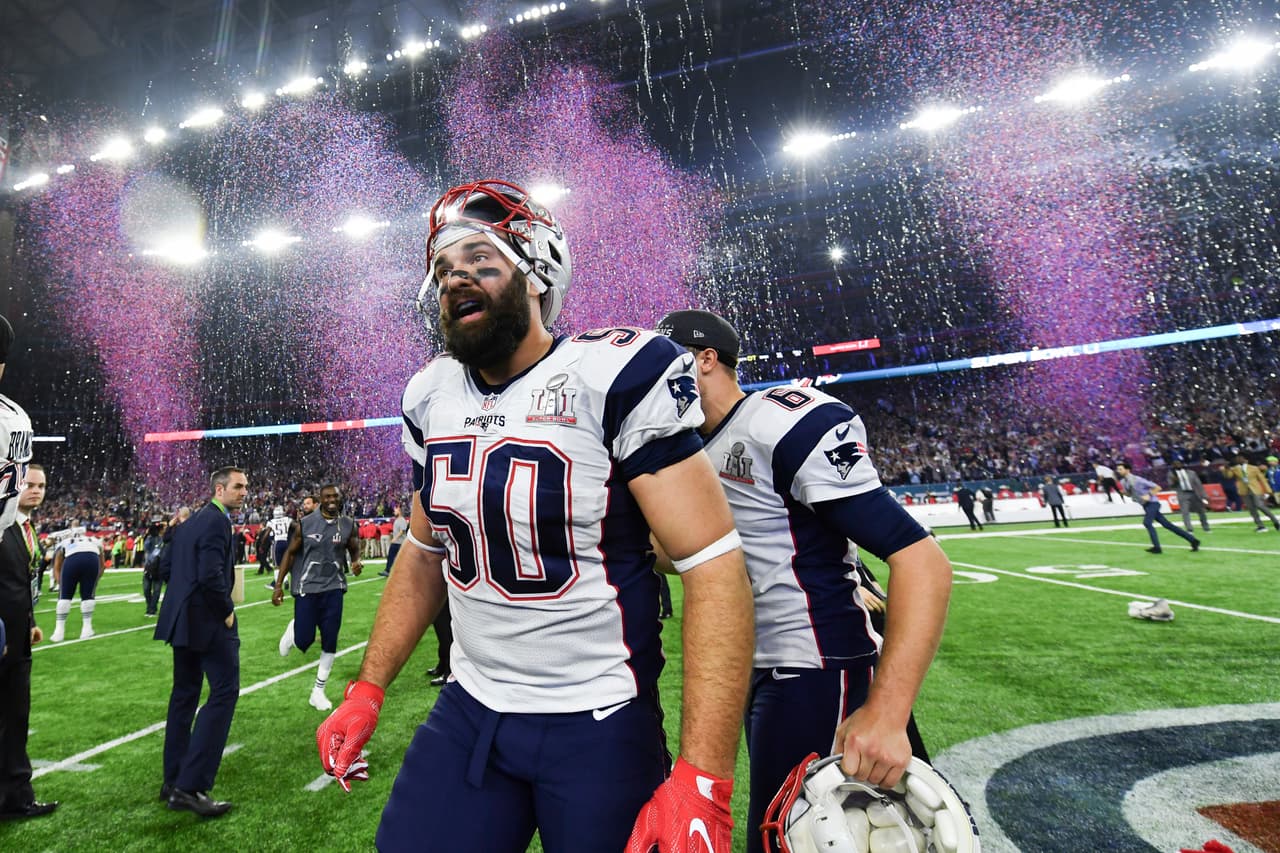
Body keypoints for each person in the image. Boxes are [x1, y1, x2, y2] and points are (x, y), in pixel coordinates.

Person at [314, 180, 753, 852]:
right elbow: (425, 550)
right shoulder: (429, 394)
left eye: (480, 262)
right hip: (472, 706)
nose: (454, 278)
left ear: (538, 272)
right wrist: (368, 687)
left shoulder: (614, 372)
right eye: (441, 270)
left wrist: (705, 775)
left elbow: (714, 564)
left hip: (599, 717)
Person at [657, 309, 952, 853]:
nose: (658, 383)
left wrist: (887, 713)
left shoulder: (779, 420)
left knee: (798, 840)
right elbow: (687, 556)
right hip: (763, 666)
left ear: (706, 359)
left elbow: (920, 558)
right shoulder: (689, 448)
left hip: (817, 664)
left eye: (667, 363)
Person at [154, 467, 248, 818]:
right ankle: (191, 786)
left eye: (246, 487)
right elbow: (211, 574)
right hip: (207, 619)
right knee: (224, 692)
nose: (244, 492)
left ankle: (173, 779)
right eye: (238, 487)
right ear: (219, 489)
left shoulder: (189, 522)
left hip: (183, 620)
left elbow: (165, 569)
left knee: (184, 696)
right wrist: (226, 610)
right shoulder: (215, 521)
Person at [0, 316, 52, 821]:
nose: (31, 490)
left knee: (14, 714)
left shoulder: (23, 527)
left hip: (14, 626)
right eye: (28, 484)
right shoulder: (13, 418)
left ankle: (16, 796)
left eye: (38, 484)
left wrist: (27, 618)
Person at [272, 484, 362, 711]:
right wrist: (278, 585)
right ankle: (294, 631)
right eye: (327, 496)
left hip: (334, 587)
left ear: (341, 498)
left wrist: (355, 561)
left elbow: (353, 546)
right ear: (321, 500)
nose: (332, 499)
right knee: (305, 641)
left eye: (335, 496)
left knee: (330, 641)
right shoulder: (305, 523)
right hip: (307, 587)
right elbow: (290, 554)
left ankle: (318, 691)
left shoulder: (348, 524)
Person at [1115, 461, 1200, 554]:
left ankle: (1157, 547)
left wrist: (1149, 495)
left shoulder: (1138, 480)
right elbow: (1130, 494)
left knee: (1147, 523)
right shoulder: (1123, 482)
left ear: (1127, 470)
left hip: (1153, 504)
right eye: (1118, 469)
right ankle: (1193, 540)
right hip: (1146, 505)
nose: (1118, 471)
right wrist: (1124, 493)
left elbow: (1157, 487)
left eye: (1120, 469)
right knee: (1167, 525)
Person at [49, 529, 104, 642]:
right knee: (88, 596)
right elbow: (102, 564)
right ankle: (87, 629)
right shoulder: (94, 540)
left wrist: (61, 584)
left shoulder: (64, 542)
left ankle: (59, 632)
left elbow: (56, 566)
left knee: (64, 598)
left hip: (72, 559)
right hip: (92, 558)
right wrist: (96, 579)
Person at [1223, 453, 1279, 532]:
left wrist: (1268, 490)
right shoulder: (1235, 469)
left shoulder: (1254, 468)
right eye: (1237, 458)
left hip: (1255, 489)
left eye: (1240, 457)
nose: (1238, 459)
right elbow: (1228, 476)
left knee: (1260, 505)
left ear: (1246, 459)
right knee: (1251, 509)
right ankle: (1260, 525)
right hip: (1244, 490)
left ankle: (1275, 521)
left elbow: (1262, 479)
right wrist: (1226, 469)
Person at [1169, 459, 1211, 533]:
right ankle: (1189, 529)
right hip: (1182, 494)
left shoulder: (1191, 473)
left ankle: (1206, 527)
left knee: (1201, 511)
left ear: (1182, 464)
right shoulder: (1171, 474)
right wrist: (1175, 481)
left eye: (1178, 463)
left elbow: (1198, 484)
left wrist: (1204, 495)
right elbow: (1171, 486)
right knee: (1185, 512)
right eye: (1175, 464)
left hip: (1194, 493)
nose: (1177, 465)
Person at [379, 505, 408, 578]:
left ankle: (404, 572)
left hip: (400, 543)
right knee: (390, 557)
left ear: (400, 511)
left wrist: (395, 538)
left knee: (401, 558)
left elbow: (402, 531)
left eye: (396, 510)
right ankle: (387, 570)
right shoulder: (397, 520)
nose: (394, 511)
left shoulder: (402, 520)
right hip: (396, 542)